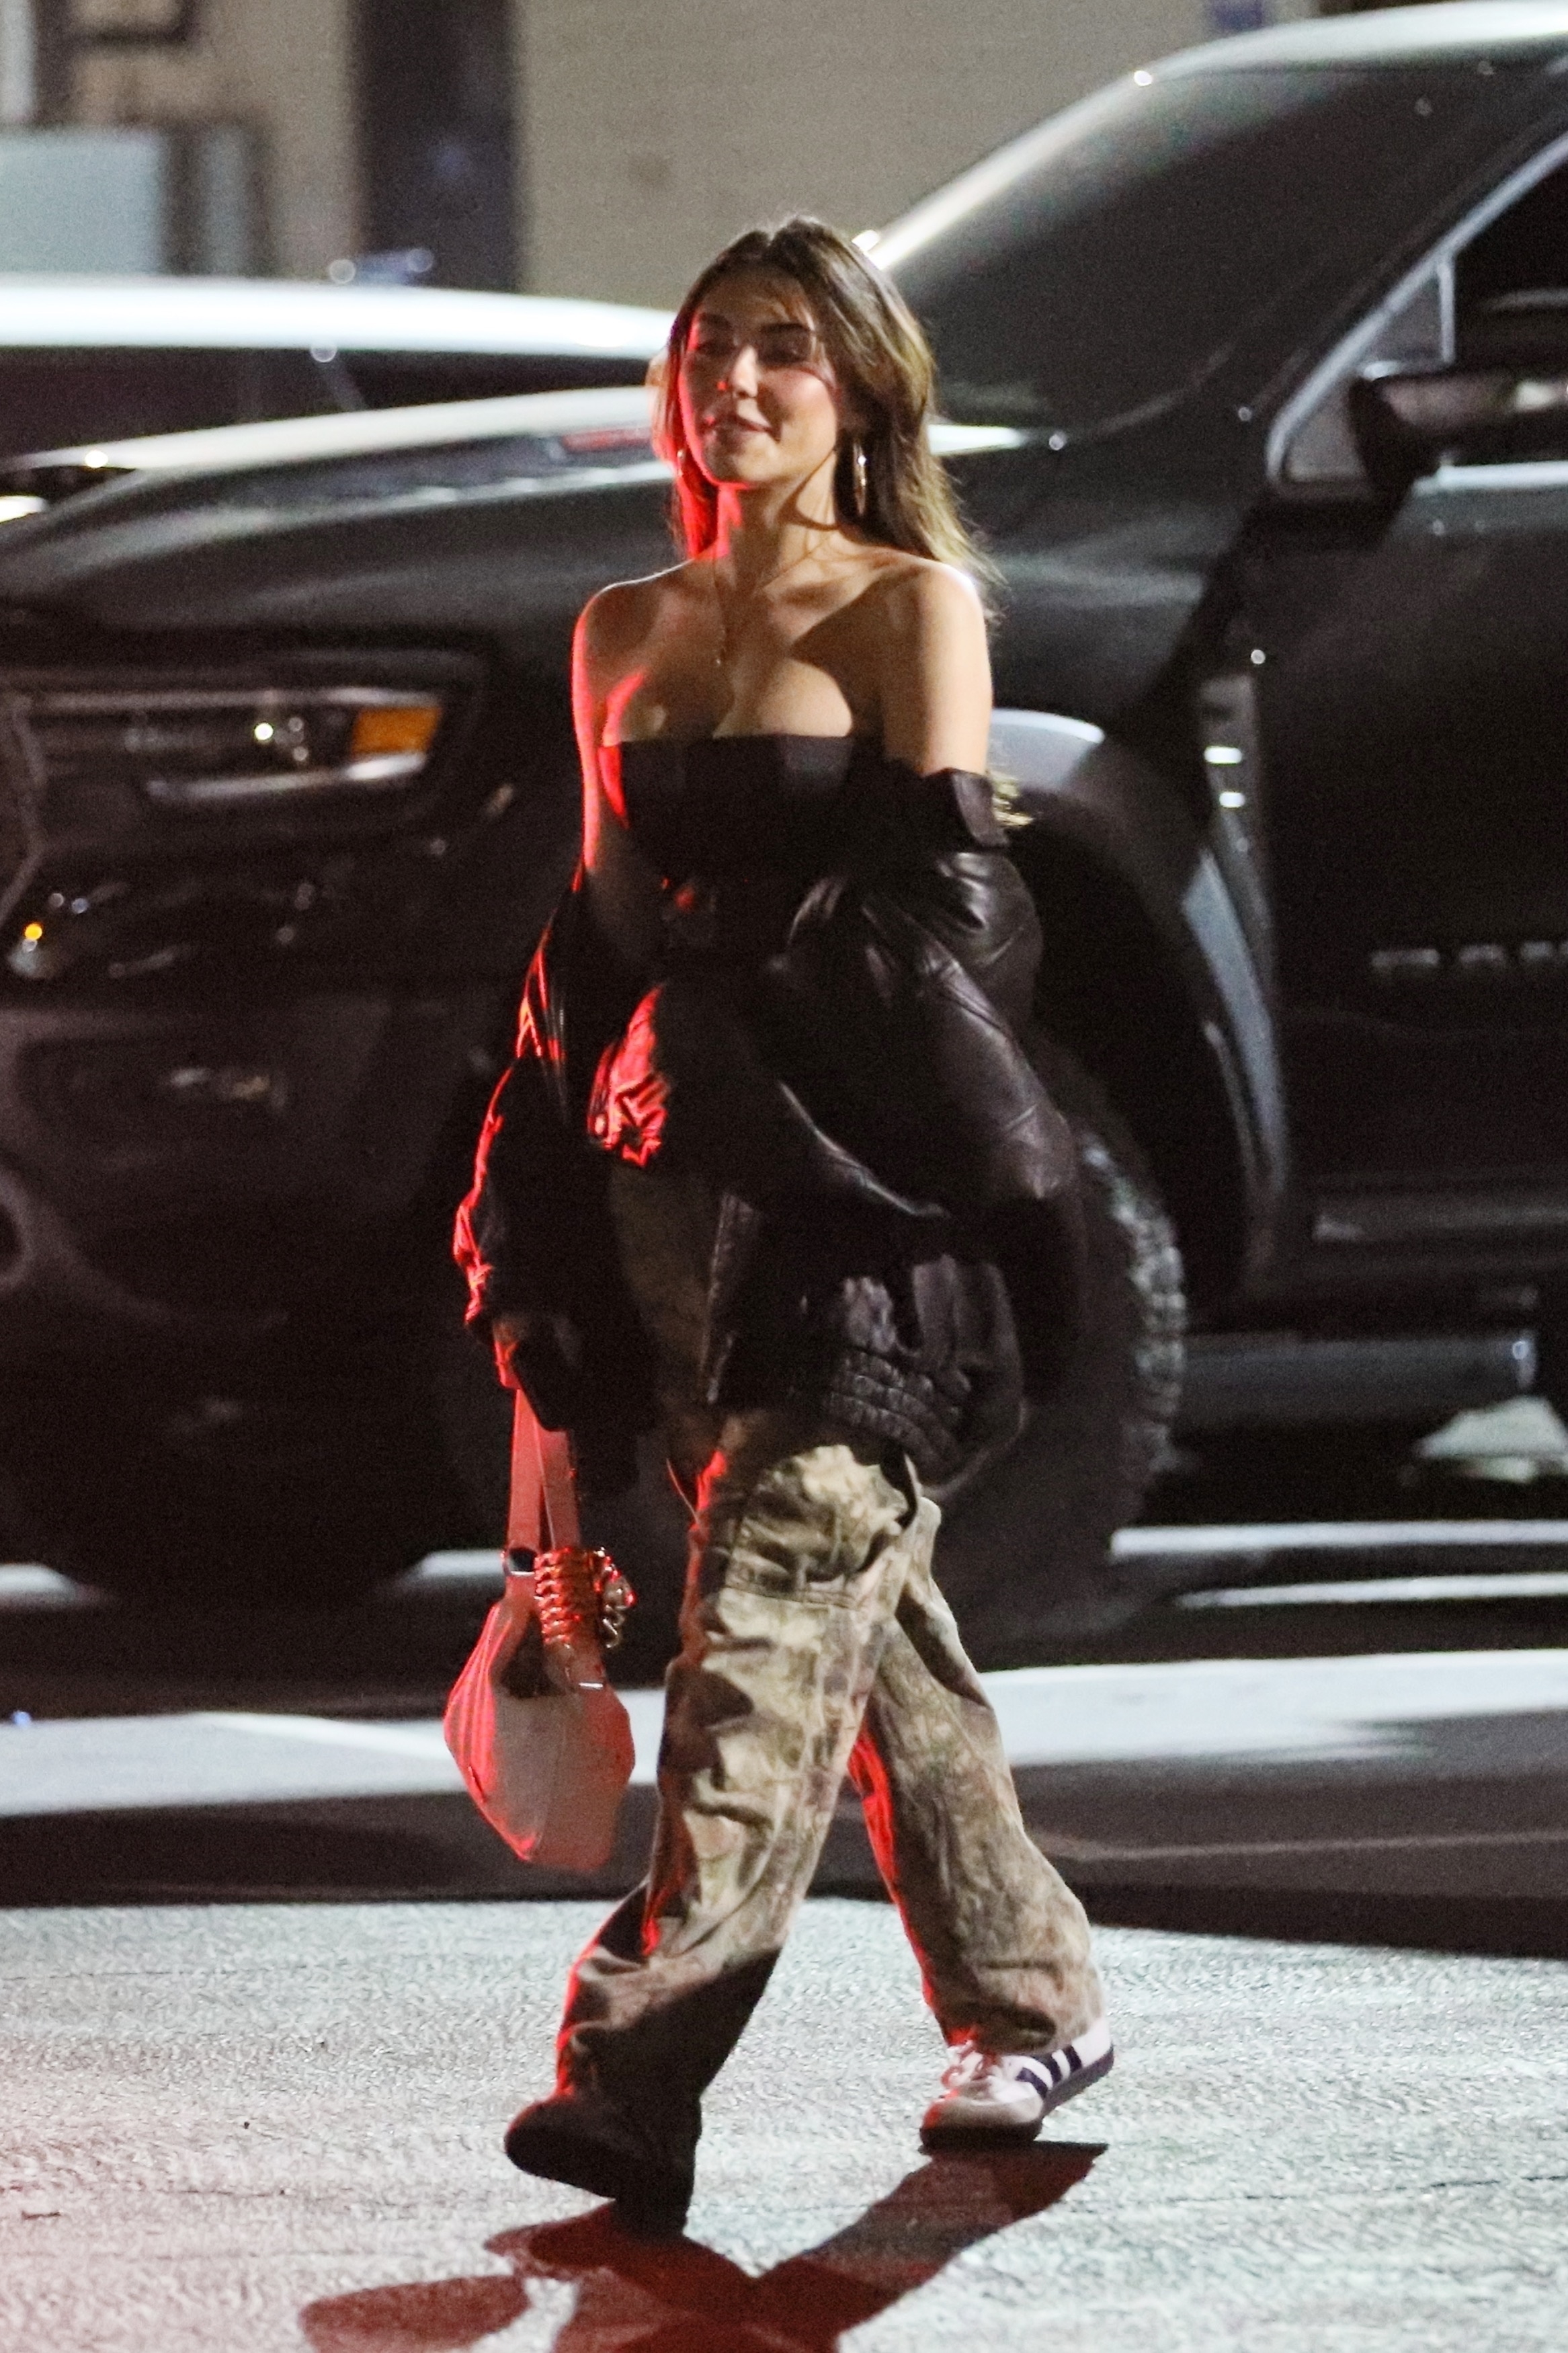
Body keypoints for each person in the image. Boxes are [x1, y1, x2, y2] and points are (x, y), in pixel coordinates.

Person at [454, 216, 1112, 2237]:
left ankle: (630, 2071)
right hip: (664, 1215)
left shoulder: (915, 609)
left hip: (858, 1210)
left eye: (785, 351)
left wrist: (737, 1025)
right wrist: (537, 1232)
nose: (736, 381)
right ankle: (1036, 2001)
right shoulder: (621, 631)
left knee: (759, 1640)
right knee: (861, 1640)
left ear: (861, 393)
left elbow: (955, 936)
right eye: (711, 346)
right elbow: (591, 961)